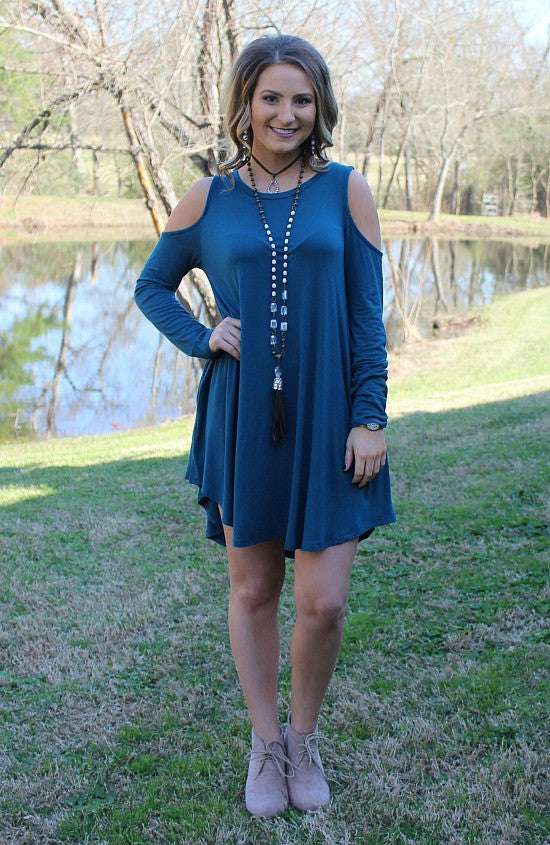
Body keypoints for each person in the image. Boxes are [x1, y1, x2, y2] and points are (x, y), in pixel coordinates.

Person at [134, 33, 396, 818]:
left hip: (330, 416)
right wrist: (203, 335)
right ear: (245, 103)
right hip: (243, 416)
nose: (287, 113)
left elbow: (367, 316)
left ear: (320, 107)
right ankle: (265, 743)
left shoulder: (346, 189)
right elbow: (152, 287)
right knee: (253, 588)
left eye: (302, 99)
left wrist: (370, 415)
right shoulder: (207, 198)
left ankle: (303, 737)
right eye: (271, 97)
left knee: (324, 601)